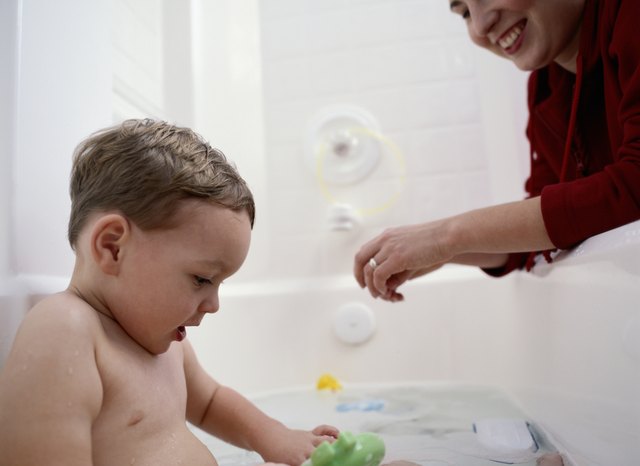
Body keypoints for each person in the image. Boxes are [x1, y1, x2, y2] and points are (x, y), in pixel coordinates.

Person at [0, 119, 338, 466]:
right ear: (113, 247)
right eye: (202, 279)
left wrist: (272, 434)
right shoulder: (68, 332)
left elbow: (210, 402)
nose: (214, 305)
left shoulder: (168, 347)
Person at [354, 0, 640, 302]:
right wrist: (440, 250)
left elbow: (634, 183)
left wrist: (446, 236)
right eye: (464, 12)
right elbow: (544, 234)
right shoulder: (547, 85)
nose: (480, 26)